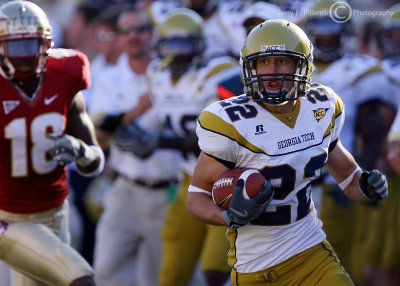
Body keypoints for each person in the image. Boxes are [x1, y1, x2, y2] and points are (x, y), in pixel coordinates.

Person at [186, 19, 388, 286]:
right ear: (250, 68)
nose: (272, 71)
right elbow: (197, 197)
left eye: (282, 60)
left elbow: (349, 178)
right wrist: (226, 216)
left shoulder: (322, 105)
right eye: (263, 62)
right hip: (254, 267)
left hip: (311, 253)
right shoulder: (229, 122)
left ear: (301, 65)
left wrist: (367, 185)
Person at [113, 8, 240, 286]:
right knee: (172, 269)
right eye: (171, 45)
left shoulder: (218, 73)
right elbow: (157, 119)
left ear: (199, 45)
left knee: (215, 269)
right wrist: (131, 133)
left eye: (184, 45)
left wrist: (157, 143)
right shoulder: (158, 73)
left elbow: (213, 140)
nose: (177, 53)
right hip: (190, 177)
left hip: (228, 178)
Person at [0, 1, 104, 286]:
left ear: (47, 44)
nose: (26, 57)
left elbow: (94, 159)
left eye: (32, 45)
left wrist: (79, 151)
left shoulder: (66, 72)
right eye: (15, 47)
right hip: (10, 219)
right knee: (80, 279)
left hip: (56, 213)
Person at [298, 0, 397, 279]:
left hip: (334, 183)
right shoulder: (296, 70)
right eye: (321, 28)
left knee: (335, 263)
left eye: (333, 28)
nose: (327, 35)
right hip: (294, 184)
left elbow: (374, 135)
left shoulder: (361, 70)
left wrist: (356, 179)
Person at [89, 6, 180, 286]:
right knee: (104, 270)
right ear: (118, 37)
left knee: (156, 278)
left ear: (152, 34)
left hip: (167, 191)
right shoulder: (108, 78)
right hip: (126, 190)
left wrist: (122, 121)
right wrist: (138, 110)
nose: (133, 36)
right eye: (125, 30)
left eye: (139, 28)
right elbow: (99, 131)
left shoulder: (170, 74)